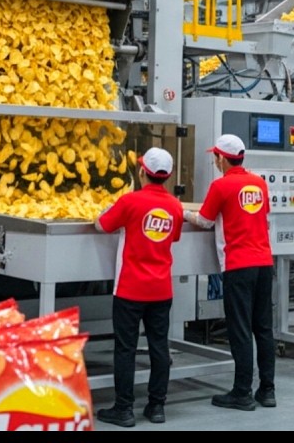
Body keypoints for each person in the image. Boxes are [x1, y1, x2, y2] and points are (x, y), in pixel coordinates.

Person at [184, 133, 276, 411]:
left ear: (222, 158)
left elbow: (204, 220)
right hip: (264, 263)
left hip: (238, 265)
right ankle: (268, 390)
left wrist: (181, 211)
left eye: (215, 156)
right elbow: (264, 219)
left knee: (239, 329)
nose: (215, 161)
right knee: (263, 328)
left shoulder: (221, 186)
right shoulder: (259, 183)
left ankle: (241, 391)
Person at [94, 148, 185, 428]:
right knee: (160, 347)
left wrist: (106, 209)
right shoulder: (175, 206)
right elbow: (175, 237)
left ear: (143, 172)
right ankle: (157, 406)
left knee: (126, 349)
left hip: (131, 289)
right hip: (161, 289)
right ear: (167, 176)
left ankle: (124, 408)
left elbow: (101, 225)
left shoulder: (130, 201)